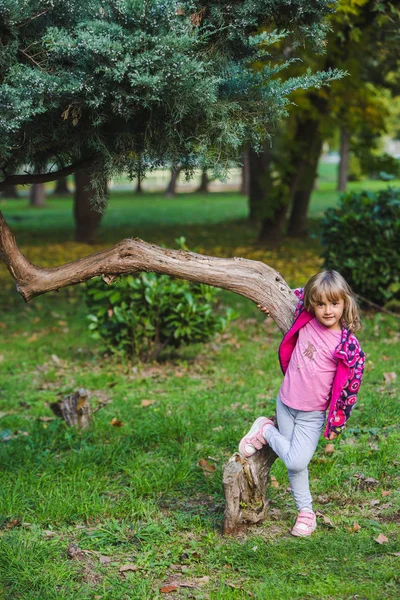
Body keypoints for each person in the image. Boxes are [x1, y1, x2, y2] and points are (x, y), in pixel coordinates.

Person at [238, 270, 366, 537]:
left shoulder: (347, 345)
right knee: (296, 463)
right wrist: (269, 303)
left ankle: (264, 430)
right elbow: (292, 295)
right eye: (320, 304)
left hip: (312, 414)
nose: (327, 310)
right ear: (312, 305)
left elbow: (350, 388)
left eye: (334, 303)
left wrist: (337, 419)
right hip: (286, 403)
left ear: (345, 303)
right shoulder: (306, 318)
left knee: (296, 461)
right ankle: (306, 513)